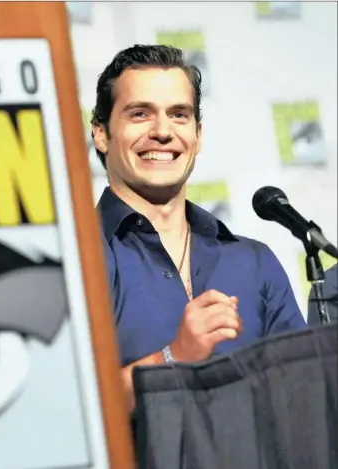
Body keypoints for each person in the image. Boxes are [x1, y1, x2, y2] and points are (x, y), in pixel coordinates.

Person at [91, 44, 307, 409]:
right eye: (140, 114)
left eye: (179, 115)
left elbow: (303, 399)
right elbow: (62, 413)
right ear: (101, 133)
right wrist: (172, 359)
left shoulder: (254, 262)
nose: (163, 131)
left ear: (198, 135)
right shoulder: (75, 262)